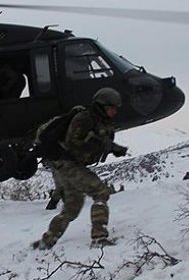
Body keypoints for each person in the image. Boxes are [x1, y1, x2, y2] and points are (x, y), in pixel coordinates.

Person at [32, 87, 128, 250]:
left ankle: (47, 241)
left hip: (65, 165)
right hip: (67, 164)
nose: (114, 112)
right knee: (100, 192)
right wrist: (102, 145)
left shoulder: (97, 120)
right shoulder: (84, 118)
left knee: (72, 208)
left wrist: (112, 147)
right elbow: (73, 144)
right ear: (102, 106)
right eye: (111, 108)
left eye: (115, 109)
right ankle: (99, 237)